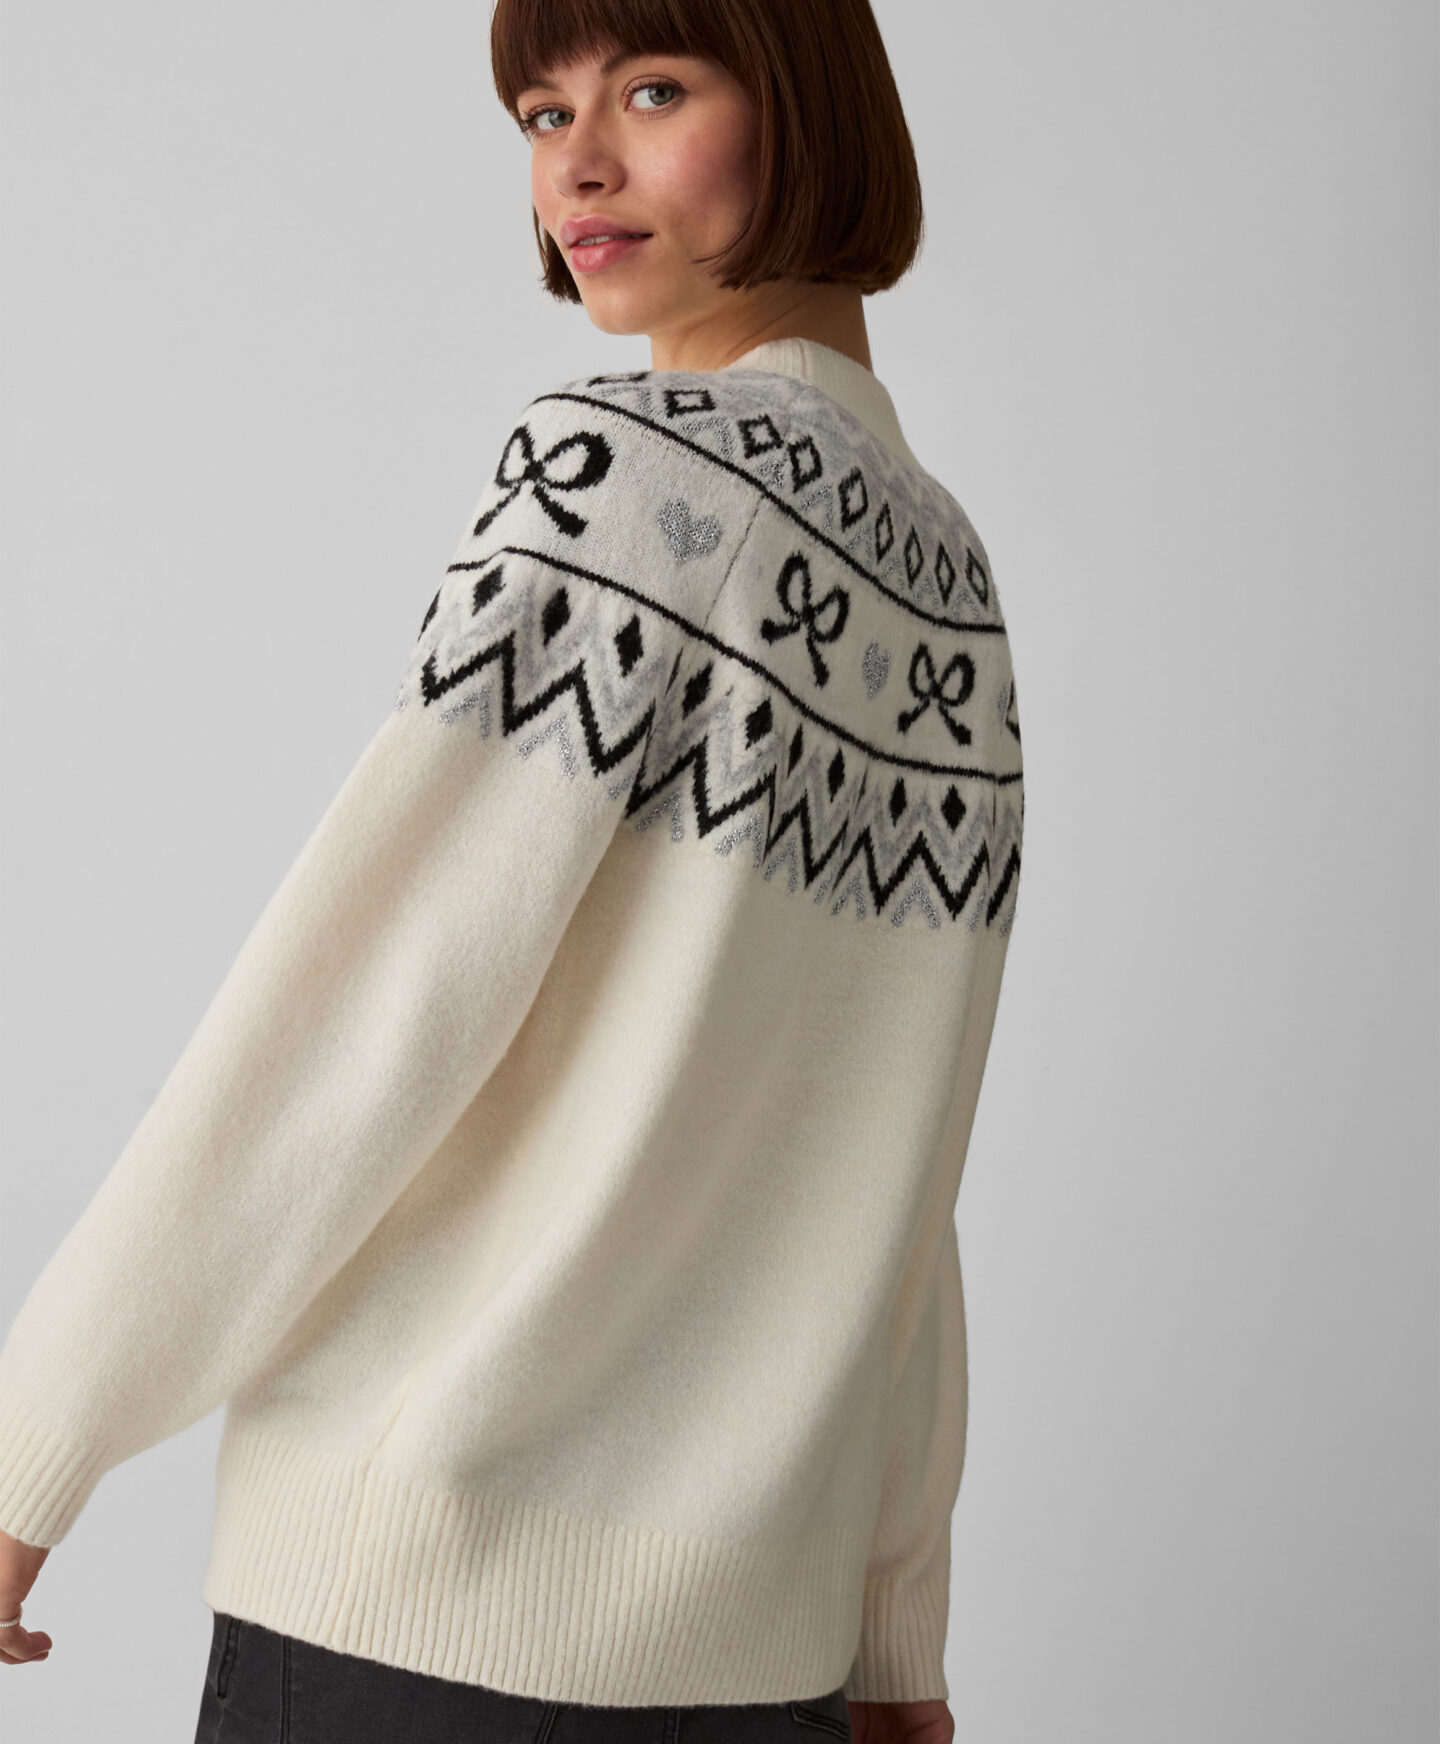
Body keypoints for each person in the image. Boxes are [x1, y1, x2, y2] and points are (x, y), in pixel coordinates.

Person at [0, 1, 1025, 1739]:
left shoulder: (631, 475)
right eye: (544, 114)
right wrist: (892, 1625)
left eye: (652, 89)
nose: (578, 166)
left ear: (806, 105)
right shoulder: (952, 589)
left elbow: (367, 1012)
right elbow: (897, 1171)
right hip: (759, 1660)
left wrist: (39, 1432)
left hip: (428, 1612)